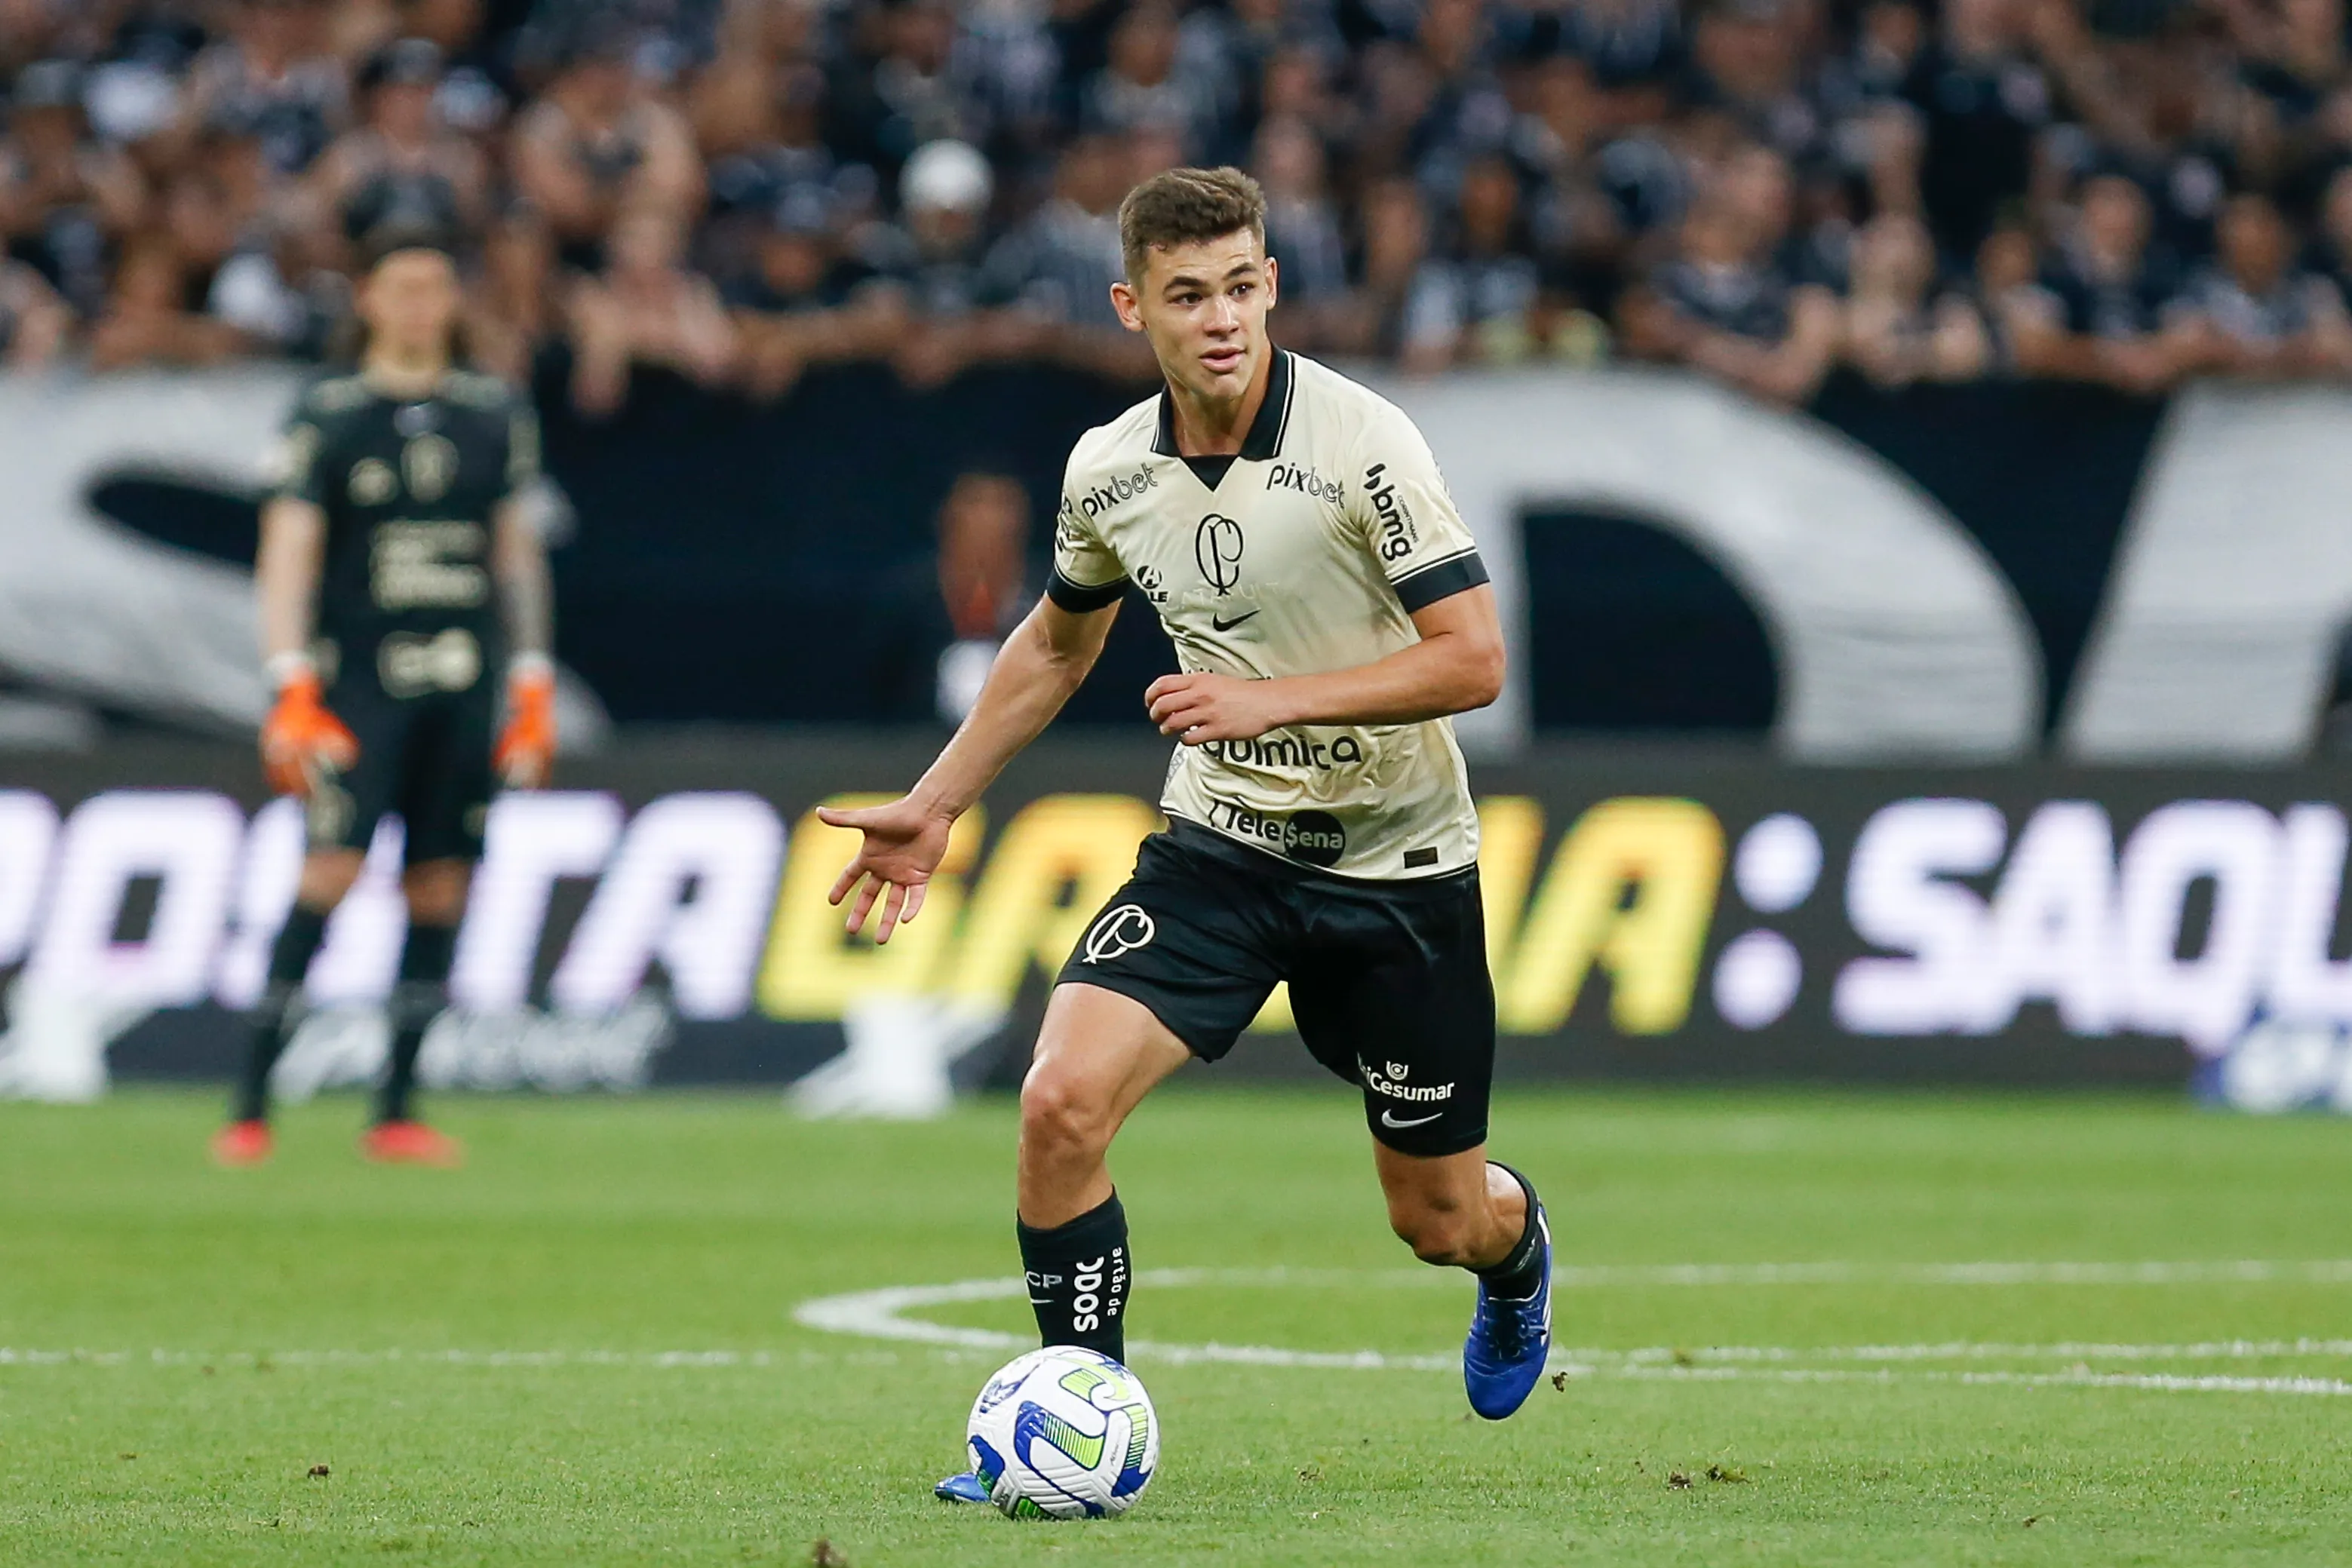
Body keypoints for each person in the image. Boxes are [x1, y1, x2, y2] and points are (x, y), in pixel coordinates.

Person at [819, 168, 1553, 1500]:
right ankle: (1077, 1412)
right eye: (1185, 295)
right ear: (1131, 307)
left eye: (1238, 287)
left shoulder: (1363, 440)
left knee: (1438, 1217)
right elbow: (1057, 643)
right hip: (1220, 849)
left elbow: (1473, 658)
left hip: (1396, 866)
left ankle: (1516, 1261)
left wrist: (1272, 697)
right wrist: (937, 799)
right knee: (1057, 1103)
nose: (1218, 318)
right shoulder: (1109, 469)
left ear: (1269, 285)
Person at [211, 243, 557, 1169]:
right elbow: (289, 550)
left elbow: (516, 554)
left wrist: (532, 681)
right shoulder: (328, 413)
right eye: (401, 287)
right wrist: (289, 680)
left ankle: (396, 1109)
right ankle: (250, 1106)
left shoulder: (492, 412)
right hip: (358, 684)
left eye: (435, 286)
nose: (418, 304)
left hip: (465, 681)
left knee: (441, 883)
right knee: (330, 868)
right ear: (367, 299)